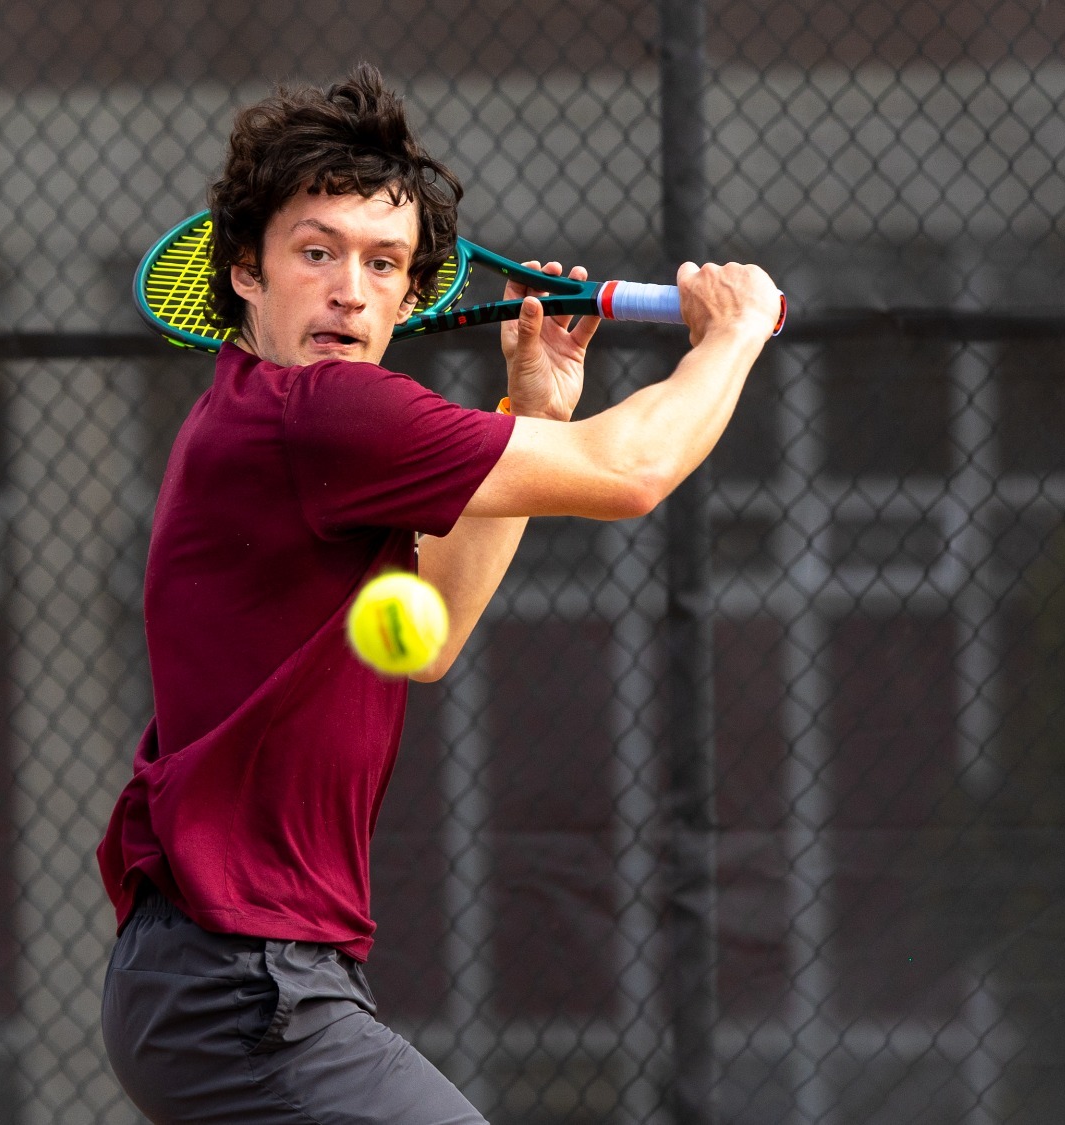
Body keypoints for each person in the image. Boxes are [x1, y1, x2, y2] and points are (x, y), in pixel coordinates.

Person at [96, 63, 781, 1125]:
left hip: (231, 976)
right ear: (244, 270)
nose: (348, 289)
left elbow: (433, 632)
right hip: (240, 984)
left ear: (412, 294)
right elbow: (630, 472)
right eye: (315, 252)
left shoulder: (274, 420)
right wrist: (730, 338)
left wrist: (537, 408)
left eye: (382, 264)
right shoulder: (315, 415)